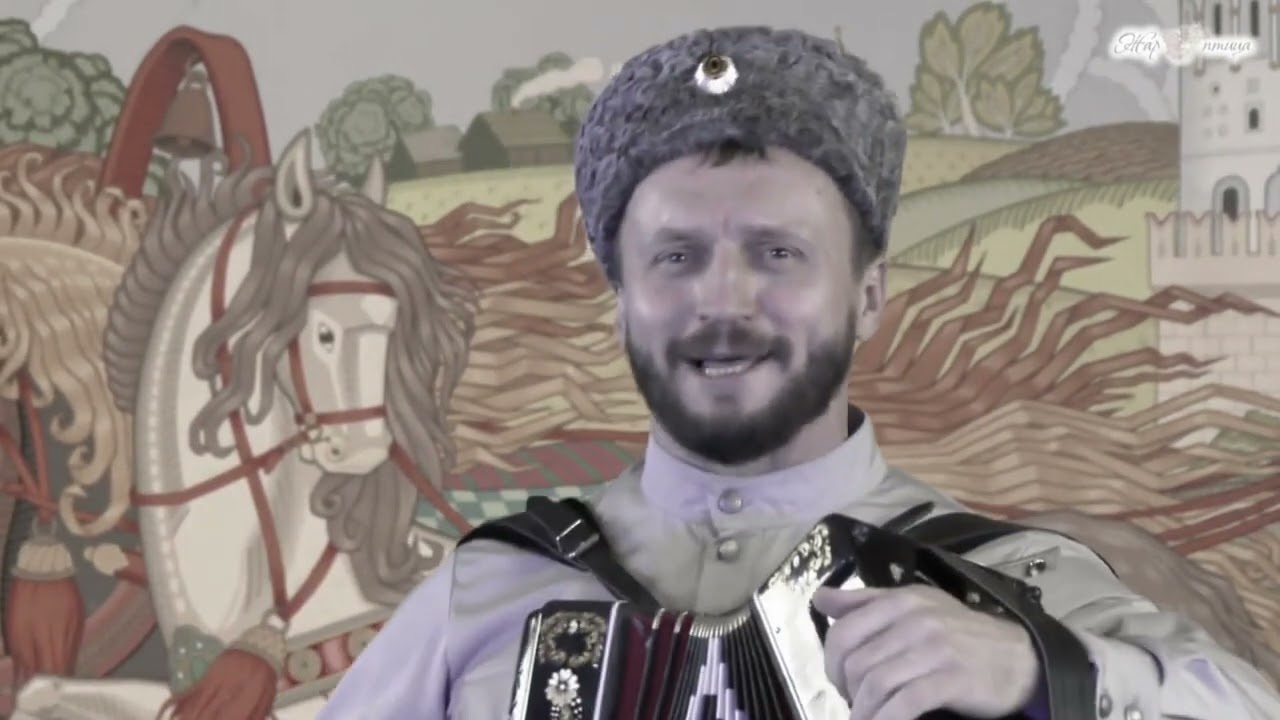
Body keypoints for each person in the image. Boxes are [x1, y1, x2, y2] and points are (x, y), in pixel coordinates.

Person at [321, 26, 1280, 720]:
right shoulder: (486, 590)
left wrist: (1042, 673)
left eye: (777, 253)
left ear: (868, 296)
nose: (722, 300)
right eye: (676, 257)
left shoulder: (1002, 585)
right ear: (620, 303)